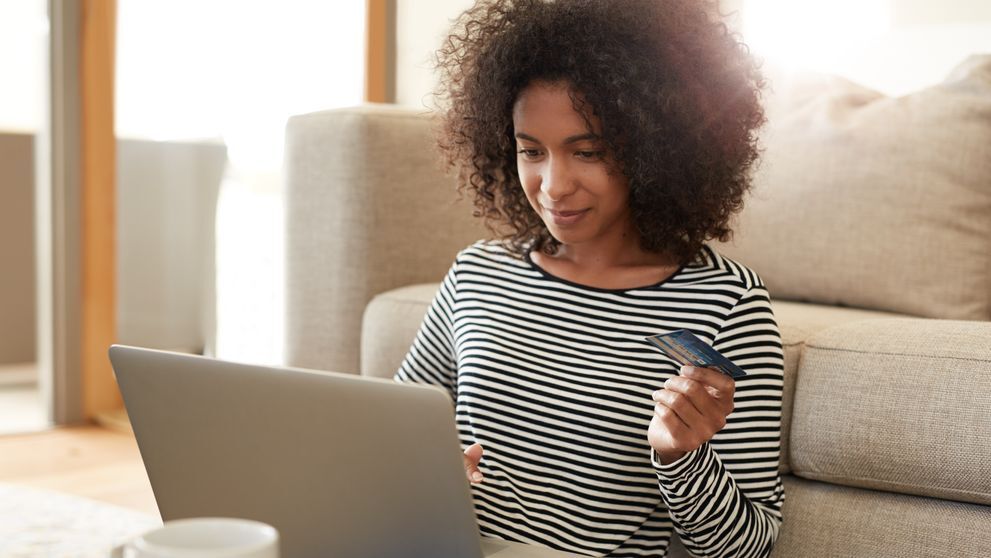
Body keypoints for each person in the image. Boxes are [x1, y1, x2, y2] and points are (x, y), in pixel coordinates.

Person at [395, 0, 784, 556]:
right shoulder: (478, 273)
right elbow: (389, 438)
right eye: (532, 151)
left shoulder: (726, 301)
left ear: (658, 149)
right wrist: (430, 475)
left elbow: (747, 549)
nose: (553, 186)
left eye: (588, 152)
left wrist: (682, 458)